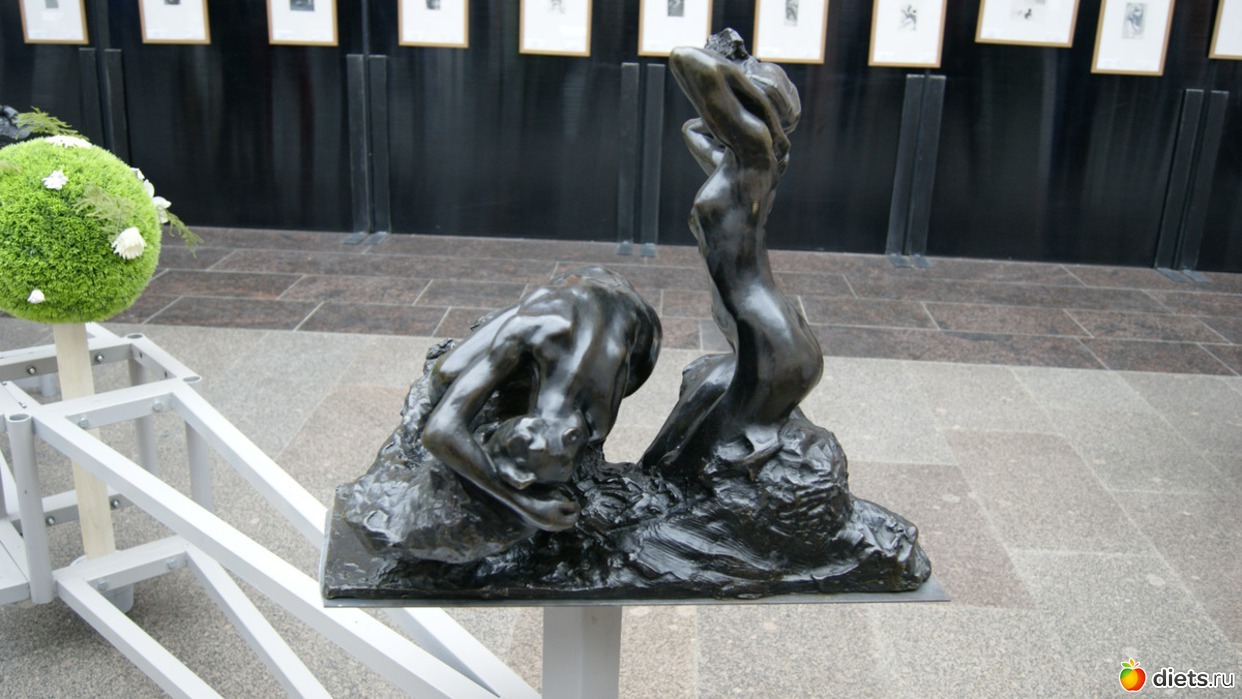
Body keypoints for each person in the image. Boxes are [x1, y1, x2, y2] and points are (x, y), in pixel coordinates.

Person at [642, 29, 822, 474]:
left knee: (687, 463)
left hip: (772, 347)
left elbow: (688, 59)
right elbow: (691, 128)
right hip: (761, 342)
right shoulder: (738, 166)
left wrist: (738, 75)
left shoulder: (753, 159)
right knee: (675, 444)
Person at [420, 265, 661, 531]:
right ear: (570, 436)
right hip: (594, 295)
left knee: (445, 379)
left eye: (520, 442)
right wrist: (527, 504)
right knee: (444, 378)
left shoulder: (594, 424)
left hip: (633, 326)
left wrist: (525, 503)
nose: (517, 440)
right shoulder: (542, 329)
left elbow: (440, 431)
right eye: (525, 443)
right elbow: (440, 430)